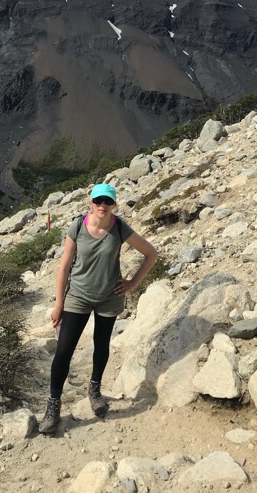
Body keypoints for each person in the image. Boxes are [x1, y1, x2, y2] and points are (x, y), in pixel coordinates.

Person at [39, 183, 158, 434]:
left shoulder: (120, 228)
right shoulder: (78, 226)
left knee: (101, 345)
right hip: (78, 296)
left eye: (107, 201)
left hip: (108, 297)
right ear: (90, 202)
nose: (102, 205)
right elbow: (63, 267)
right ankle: (53, 404)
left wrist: (132, 283)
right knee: (64, 350)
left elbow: (151, 254)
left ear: (114, 204)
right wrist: (59, 304)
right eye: (98, 201)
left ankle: (95, 389)